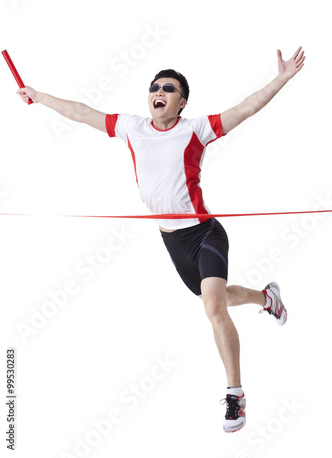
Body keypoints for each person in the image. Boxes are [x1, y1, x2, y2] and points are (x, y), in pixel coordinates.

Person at [17, 46, 305, 433]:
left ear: (181, 101)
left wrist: (282, 78)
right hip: (172, 243)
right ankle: (265, 297)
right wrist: (38, 95)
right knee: (214, 298)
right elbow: (82, 112)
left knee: (214, 309)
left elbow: (247, 107)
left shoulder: (195, 130)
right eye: (154, 87)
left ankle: (235, 395)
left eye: (168, 88)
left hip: (205, 234)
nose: (159, 91)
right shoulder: (131, 127)